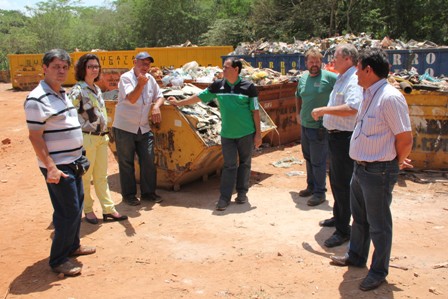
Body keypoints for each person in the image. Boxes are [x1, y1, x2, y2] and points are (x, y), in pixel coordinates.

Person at [330, 48, 413, 291]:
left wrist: (396, 162)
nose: (355, 74)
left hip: (379, 171)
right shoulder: (369, 93)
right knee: (360, 219)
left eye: (358, 69)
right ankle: (356, 255)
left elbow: (405, 138)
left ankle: (378, 272)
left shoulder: (390, 97)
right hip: (361, 167)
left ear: (368, 70)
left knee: (379, 224)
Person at [24, 49, 96, 276]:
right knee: (67, 211)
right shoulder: (36, 98)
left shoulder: (62, 93)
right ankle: (58, 259)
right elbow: (35, 137)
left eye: (65, 67)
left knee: (76, 208)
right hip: (58, 166)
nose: (61, 71)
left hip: (73, 161)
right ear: (44, 68)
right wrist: (51, 167)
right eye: (56, 67)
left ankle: (73, 246)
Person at [168, 58, 261, 211]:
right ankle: (224, 198)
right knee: (230, 165)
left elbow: (255, 111)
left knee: (245, 164)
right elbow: (199, 97)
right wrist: (179, 103)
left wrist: (258, 134)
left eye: (226, 68)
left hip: (246, 133)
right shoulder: (219, 86)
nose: (222, 70)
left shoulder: (248, 87)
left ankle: (242, 193)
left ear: (236, 70)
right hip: (227, 135)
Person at [311, 44, 362, 247]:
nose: (333, 61)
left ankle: (343, 230)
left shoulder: (353, 79)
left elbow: (352, 108)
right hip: (336, 138)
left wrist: (324, 110)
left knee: (342, 183)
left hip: (344, 138)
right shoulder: (343, 77)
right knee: (336, 181)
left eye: (337, 58)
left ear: (348, 59)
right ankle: (338, 216)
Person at [69, 53, 127, 224]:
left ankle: (108, 210)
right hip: (86, 138)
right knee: (86, 177)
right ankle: (88, 210)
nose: (94, 69)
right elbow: (69, 115)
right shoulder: (77, 90)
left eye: (96, 66)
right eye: (90, 66)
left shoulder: (97, 88)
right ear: (82, 69)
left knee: (101, 176)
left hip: (102, 138)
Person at [113, 52, 165, 206]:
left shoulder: (151, 79)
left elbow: (160, 95)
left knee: (148, 160)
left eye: (148, 64)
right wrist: (140, 84)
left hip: (143, 127)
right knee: (126, 162)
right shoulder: (126, 78)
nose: (145, 66)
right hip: (125, 127)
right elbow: (132, 98)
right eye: (142, 63)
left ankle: (148, 193)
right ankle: (129, 195)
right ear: (135, 62)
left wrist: (156, 106)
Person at [295, 48, 337, 206]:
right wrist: (298, 114)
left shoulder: (330, 77)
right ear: (306, 63)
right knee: (308, 158)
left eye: (317, 61)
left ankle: (320, 193)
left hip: (320, 127)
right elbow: (298, 96)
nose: (314, 64)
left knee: (318, 161)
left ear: (321, 63)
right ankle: (311, 186)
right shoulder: (303, 78)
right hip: (305, 126)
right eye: (311, 62)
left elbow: (344, 91)